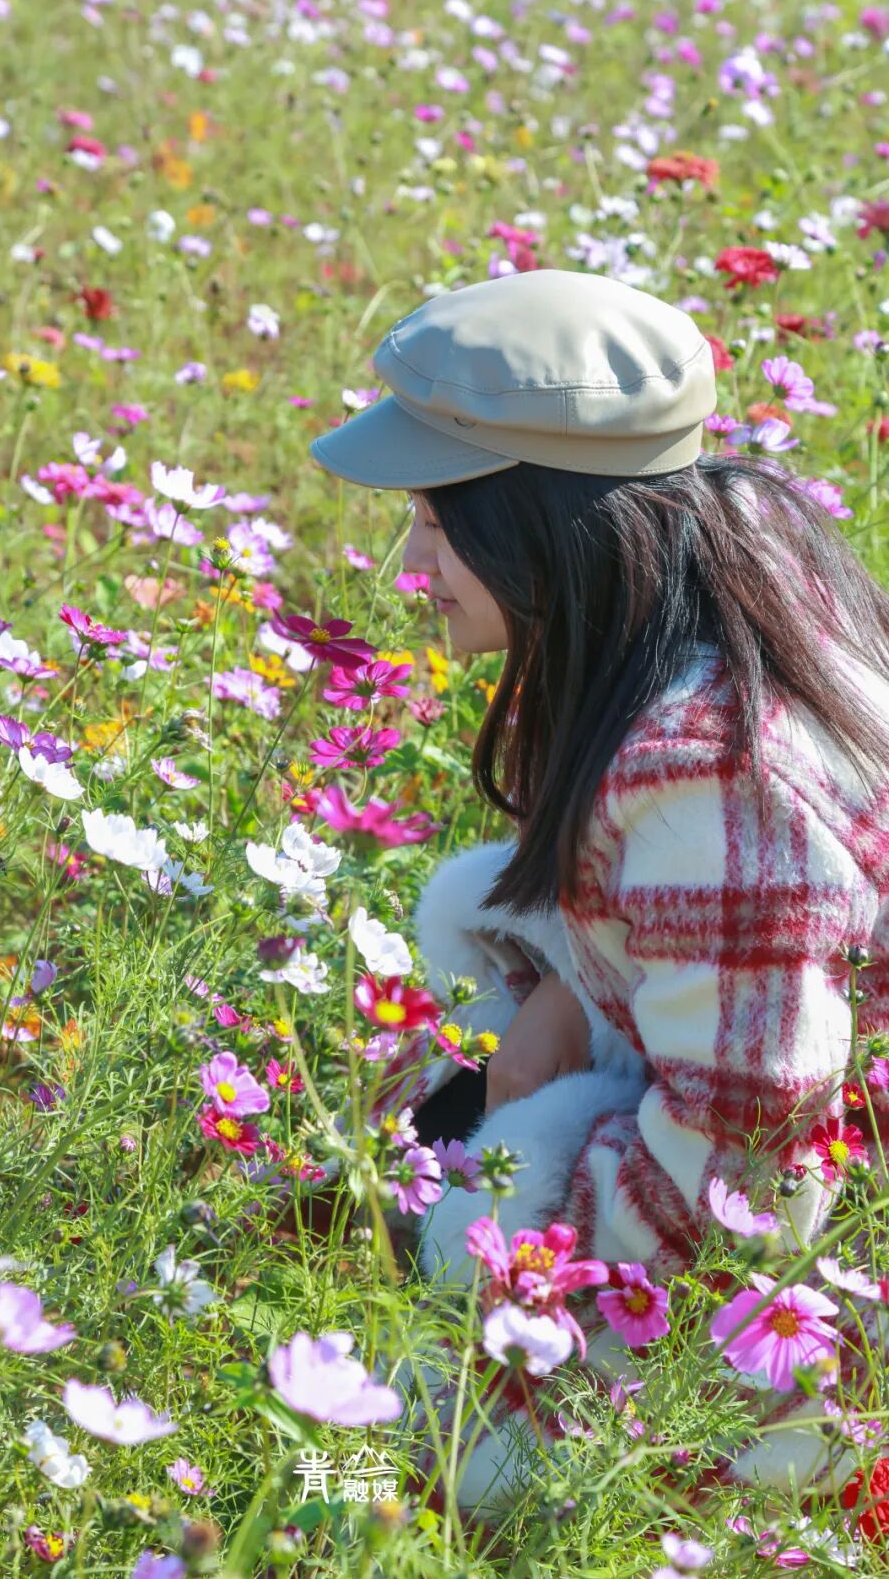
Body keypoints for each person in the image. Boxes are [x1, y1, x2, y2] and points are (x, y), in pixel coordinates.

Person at [308, 268, 889, 1511]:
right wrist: (560, 1007)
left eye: (436, 518)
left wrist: (518, 1284)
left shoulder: (709, 774)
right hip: (714, 1141)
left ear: (539, 520)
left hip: (783, 1288)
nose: (412, 558)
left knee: (367, 1464)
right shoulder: (720, 583)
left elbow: (748, 1155)